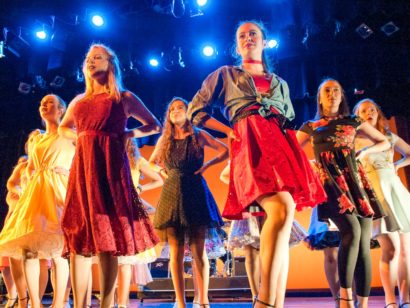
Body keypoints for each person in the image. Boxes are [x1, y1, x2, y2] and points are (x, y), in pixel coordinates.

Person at [186, 20, 326, 308]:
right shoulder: (225, 74)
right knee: (282, 208)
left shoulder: (281, 83)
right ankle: (263, 300)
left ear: (264, 41)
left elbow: (287, 121)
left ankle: (275, 301)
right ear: (236, 45)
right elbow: (195, 111)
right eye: (242, 35)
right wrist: (227, 131)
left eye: (253, 34)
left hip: (280, 146)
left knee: (285, 221)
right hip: (250, 144)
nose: (248, 38)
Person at [59, 43, 161, 308]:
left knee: (107, 235)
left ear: (111, 63)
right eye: (88, 58)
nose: (91, 62)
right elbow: (63, 128)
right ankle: (79, 303)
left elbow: (153, 125)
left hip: (109, 167)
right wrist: (81, 137)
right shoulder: (79, 101)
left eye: (97, 57)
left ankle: (107, 302)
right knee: (79, 233)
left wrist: (129, 134)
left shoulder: (122, 97)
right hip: (83, 168)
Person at [297, 79, 390, 308]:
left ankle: (363, 303)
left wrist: (365, 151)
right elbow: (292, 151)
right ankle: (345, 299)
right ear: (319, 97)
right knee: (352, 230)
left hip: (356, 184)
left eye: (336, 90)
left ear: (342, 96)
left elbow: (384, 142)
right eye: (326, 91)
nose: (332, 94)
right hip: (330, 184)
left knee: (363, 244)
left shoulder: (353, 120)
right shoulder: (310, 125)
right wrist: (309, 166)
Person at [150, 97, 228, 308]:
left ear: (188, 111)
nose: (175, 110)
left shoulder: (198, 134)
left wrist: (207, 166)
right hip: (172, 194)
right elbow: (150, 163)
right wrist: (163, 173)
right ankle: (180, 301)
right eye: (172, 108)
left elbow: (224, 150)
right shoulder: (164, 139)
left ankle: (202, 300)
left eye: (180, 107)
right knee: (175, 251)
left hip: (195, 191)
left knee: (198, 249)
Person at [0, 94, 75, 308]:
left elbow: (84, 161)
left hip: (59, 189)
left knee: (61, 249)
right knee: (28, 248)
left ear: (61, 110)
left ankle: (60, 302)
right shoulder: (39, 140)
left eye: (50, 102)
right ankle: (33, 302)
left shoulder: (70, 134)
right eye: (42, 102)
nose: (44, 105)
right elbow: (30, 167)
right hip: (36, 192)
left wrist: (64, 172)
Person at [354, 99, 410, 308]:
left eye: (372, 110)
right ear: (357, 116)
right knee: (391, 249)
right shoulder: (356, 139)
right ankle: (390, 300)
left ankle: (405, 299)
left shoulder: (388, 137)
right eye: (363, 111)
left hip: (396, 193)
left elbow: (409, 153)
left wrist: (397, 164)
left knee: (406, 250)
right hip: (376, 194)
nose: (368, 113)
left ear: (378, 114)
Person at [115, 138, 163, 307]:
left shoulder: (137, 160)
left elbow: (159, 179)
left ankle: (122, 303)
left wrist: (139, 188)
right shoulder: (110, 156)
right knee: (113, 255)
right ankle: (112, 300)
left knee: (126, 256)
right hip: (112, 205)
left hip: (129, 207)